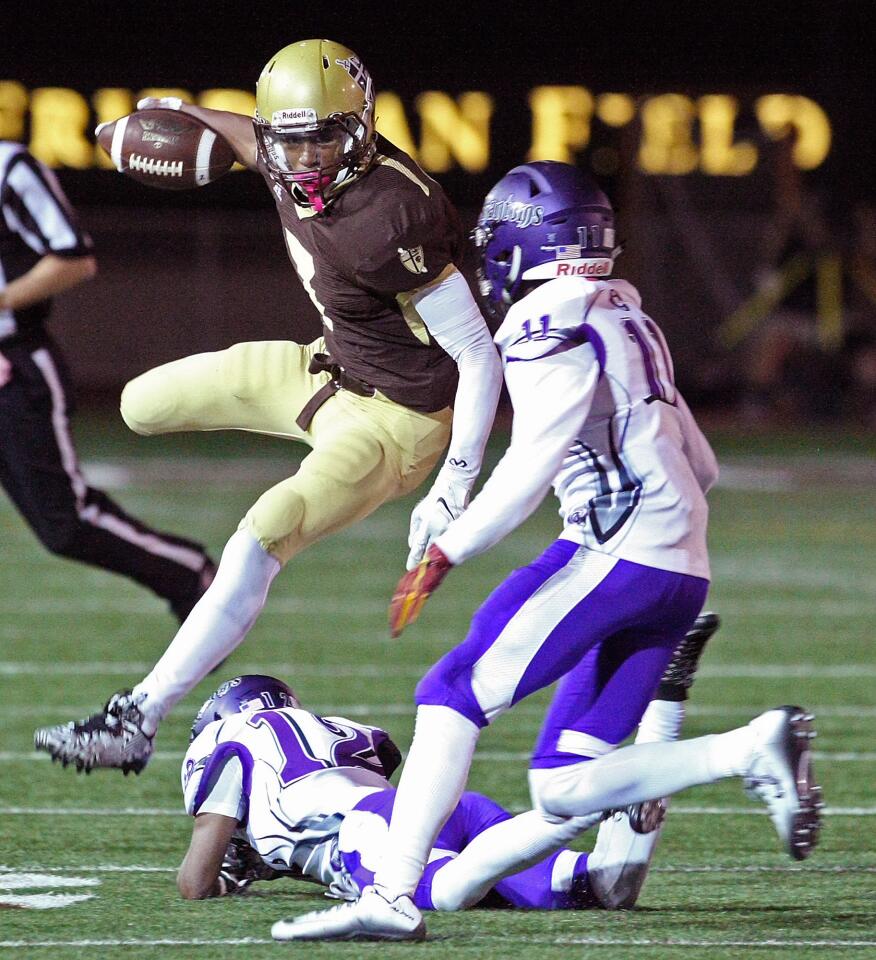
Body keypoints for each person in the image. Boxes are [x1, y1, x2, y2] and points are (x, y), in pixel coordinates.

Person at [273, 162, 824, 941]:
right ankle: (746, 747)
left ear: (530, 243)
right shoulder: (629, 312)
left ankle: (391, 895)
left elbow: (531, 465)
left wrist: (448, 551)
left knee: (452, 688)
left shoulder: (546, 324)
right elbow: (703, 464)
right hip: (679, 567)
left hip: (616, 552)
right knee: (564, 790)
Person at [34, 39, 502, 774]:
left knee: (261, 534)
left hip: (396, 422)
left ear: (362, 127)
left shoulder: (392, 218)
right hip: (324, 370)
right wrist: (181, 115)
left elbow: (478, 353)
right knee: (138, 405)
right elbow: (250, 137)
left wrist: (455, 485)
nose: (307, 158)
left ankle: (139, 716)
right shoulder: (283, 146)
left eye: (323, 137)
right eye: (291, 138)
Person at [176, 631, 715, 925]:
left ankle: (598, 798)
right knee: (607, 888)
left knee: (451, 894)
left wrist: (240, 865)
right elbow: (374, 761)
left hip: (371, 834)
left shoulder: (233, 740)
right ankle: (663, 705)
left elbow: (194, 883)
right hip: (427, 815)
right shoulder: (326, 730)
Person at [0, 140, 215, 624]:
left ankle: (188, 573)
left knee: (65, 524)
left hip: (14, 368)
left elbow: (74, 258)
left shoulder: (8, 168)